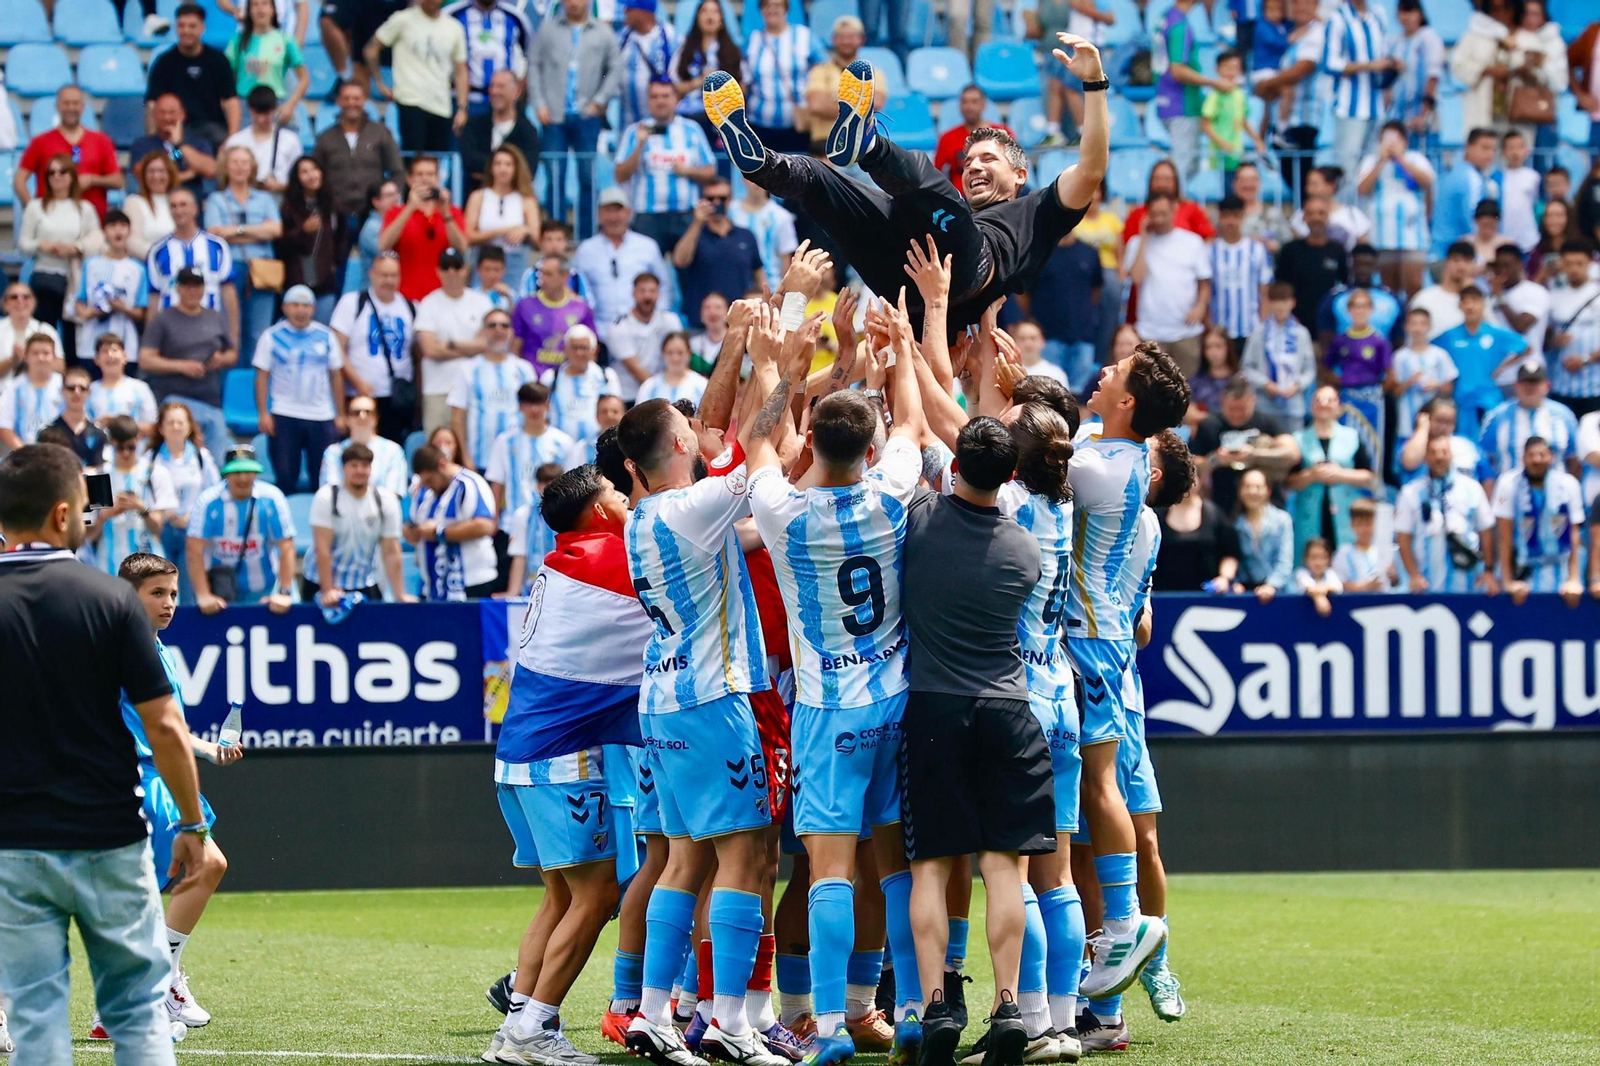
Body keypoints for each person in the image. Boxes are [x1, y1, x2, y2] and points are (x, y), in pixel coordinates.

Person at [739, 290, 929, 1065]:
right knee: (900, 870)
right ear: (873, 445)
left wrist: (783, 372)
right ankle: (911, 1011)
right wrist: (904, 347)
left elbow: (756, 440)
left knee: (828, 870)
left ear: (812, 441)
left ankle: (824, 1029)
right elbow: (914, 426)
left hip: (825, 709)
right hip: (895, 700)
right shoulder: (892, 495)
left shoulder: (783, 510)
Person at [0, 446, 220, 1065]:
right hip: (108, 834)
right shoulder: (111, 600)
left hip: (15, 841)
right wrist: (193, 823)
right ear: (63, 513)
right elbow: (167, 727)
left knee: (37, 1015)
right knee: (135, 1011)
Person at [613, 394, 791, 1066]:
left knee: (685, 859)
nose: (698, 430)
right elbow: (764, 443)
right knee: (743, 858)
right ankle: (729, 1023)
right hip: (713, 698)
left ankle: (655, 1014)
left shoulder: (640, 519)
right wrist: (779, 372)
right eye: (689, 427)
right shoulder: (692, 507)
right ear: (679, 445)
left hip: (661, 696)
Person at [484, 465, 652, 1063]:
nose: (627, 498)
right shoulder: (611, 557)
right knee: (597, 895)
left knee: (559, 898)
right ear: (601, 511)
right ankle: (536, 1025)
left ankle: (514, 1032)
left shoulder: (565, 560)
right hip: (562, 760)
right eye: (617, 492)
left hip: (520, 758)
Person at [1061, 343, 1188, 1010]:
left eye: (1120, 368)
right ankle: (1102, 993)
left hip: (1102, 661)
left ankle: (1145, 944)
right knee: (1083, 826)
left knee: (1134, 826)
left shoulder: (1122, 497)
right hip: (1093, 653)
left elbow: (1139, 620)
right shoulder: (1102, 457)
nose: (1106, 368)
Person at [529, 0, 620, 239]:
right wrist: (539, 102)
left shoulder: (603, 33)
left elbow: (614, 69)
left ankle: (587, 234)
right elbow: (534, 65)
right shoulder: (547, 30)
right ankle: (555, 235)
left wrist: (599, 101)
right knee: (555, 176)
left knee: (587, 176)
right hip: (554, 116)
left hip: (587, 116)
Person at [253, 285, 345, 493]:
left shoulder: (326, 336)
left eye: (306, 305)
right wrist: (263, 413)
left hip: (321, 414)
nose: (300, 310)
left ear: (313, 309)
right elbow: (261, 377)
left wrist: (340, 414)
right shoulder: (271, 336)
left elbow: (336, 375)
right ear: (285, 307)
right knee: (285, 476)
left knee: (323, 480)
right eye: (295, 305)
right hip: (285, 413)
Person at [140, 267, 239, 460]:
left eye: (197, 286)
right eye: (187, 286)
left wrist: (221, 359)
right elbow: (146, 359)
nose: (193, 291)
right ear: (178, 288)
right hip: (176, 398)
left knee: (217, 459)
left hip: (211, 400)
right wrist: (181, 366)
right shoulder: (164, 320)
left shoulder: (215, 317)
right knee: (177, 456)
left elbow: (232, 354)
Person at [188, 444, 297, 613]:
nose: (243, 478)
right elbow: (194, 549)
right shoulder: (208, 502)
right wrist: (203, 595)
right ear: (226, 474)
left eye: (248, 471)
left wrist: (284, 591)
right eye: (237, 472)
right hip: (220, 593)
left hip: (266, 590)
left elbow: (286, 546)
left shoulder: (272, 498)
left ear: (256, 473)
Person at [617, 80, 719, 257]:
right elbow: (620, 175)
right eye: (654, 96)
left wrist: (688, 171)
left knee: (690, 274)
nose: (660, 101)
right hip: (647, 215)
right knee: (646, 274)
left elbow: (711, 171)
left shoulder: (692, 129)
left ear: (676, 100)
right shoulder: (635, 131)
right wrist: (640, 145)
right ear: (648, 101)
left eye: (665, 96)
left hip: (686, 213)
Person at [304, 442, 409, 605]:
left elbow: (391, 550)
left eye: (365, 466)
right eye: (354, 466)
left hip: (364, 582)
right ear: (343, 469)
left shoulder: (385, 501)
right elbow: (322, 549)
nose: (359, 471)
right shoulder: (326, 497)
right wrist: (328, 590)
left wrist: (399, 595)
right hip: (319, 582)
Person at [330, 253, 418, 442]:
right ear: (372, 274)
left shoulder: (410, 307)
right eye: (383, 275)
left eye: (394, 275)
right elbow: (336, 349)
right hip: (360, 395)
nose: (389, 280)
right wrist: (357, 381)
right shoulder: (352, 302)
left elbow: (415, 354)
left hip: (396, 398)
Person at [205, 146, 283, 359]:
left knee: (259, 333)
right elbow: (214, 233)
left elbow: (275, 230)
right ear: (226, 167)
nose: (240, 167)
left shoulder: (265, 199)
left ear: (252, 168)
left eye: (244, 162)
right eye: (235, 162)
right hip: (230, 270)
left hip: (262, 270)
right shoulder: (216, 199)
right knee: (230, 332)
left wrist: (235, 231)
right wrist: (258, 232)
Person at [1395, 430, 1497, 592]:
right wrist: (1414, 575)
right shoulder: (1410, 492)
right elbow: (1403, 537)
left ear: (1451, 455)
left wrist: (1488, 571)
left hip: (1467, 585)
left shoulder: (1471, 488)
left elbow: (1486, 531)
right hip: (1427, 586)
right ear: (1425, 458)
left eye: (1444, 452)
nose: (1439, 457)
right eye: (1433, 453)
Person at [1123, 192, 1212, 377]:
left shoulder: (1192, 242)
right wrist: (1144, 238)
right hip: (1150, 332)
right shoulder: (1137, 243)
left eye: (1164, 213)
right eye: (1155, 214)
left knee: (1187, 390)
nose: (1159, 219)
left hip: (1186, 331)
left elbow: (1205, 284)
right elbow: (1137, 279)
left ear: (1174, 210)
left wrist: (1200, 307)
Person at [20, 156, 103, 351]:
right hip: (45, 274)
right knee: (43, 331)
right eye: (51, 173)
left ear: (72, 176)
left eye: (62, 171)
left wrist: (77, 247)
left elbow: (97, 239)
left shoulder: (85, 209)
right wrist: (42, 245)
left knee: (73, 336)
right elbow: (23, 244)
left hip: (73, 276)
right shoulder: (35, 207)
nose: (57, 176)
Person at [1285, 385, 1376, 559]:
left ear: (1339, 406)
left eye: (1330, 400)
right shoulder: (1298, 438)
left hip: (1345, 511)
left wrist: (1340, 475)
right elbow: (1289, 482)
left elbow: (1368, 476)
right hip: (1310, 513)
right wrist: (1312, 475)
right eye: (1318, 399)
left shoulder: (1352, 436)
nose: (1324, 404)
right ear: (1311, 405)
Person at [1493, 435, 1586, 605]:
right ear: (1523, 458)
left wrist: (1574, 580)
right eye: (1531, 455)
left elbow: (1574, 535)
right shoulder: (1508, 484)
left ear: (1551, 457)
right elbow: (1504, 537)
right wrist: (1508, 582)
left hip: (1561, 572)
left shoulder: (1568, 484)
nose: (1537, 460)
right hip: (1523, 571)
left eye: (1542, 455)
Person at [575, 191, 673, 350]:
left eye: (618, 210)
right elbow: (579, 291)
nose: (613, 217)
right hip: (599, 333)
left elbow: (665, 286)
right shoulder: (586, 250)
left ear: (628, 212)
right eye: (608, 211)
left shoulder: (647, 246)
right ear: (599, 214)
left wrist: (655, 321)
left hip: (641, 333)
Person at [367, 0, 470, 151]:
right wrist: (379, 84)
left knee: (436, 163)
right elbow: (371, 49)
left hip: (441, 104)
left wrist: (462, 107)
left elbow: (461, 71)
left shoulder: (454, 27)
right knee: (414, 161)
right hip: (410, 101)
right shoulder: (402, 20)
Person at [1190, 376, 1302, 513]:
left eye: (1242, 409)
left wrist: (1255, 454)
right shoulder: (1209, 424)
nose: (1236, 414)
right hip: (1223, 502)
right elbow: (1192, 462)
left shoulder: (1267, 422)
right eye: (1232, 408)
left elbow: (1292, 453)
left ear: (1253, 401)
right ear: (1222, 400)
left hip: (1266, 504)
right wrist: (1216, 459)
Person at [415, 247, 495, 433]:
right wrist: (470, 347)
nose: (452, 272)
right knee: (437, 452)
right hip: (438, 389)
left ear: (465, 269)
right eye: (446, 267)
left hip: (474, 389)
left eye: (456, 266)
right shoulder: (428, 303)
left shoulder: (482, 302)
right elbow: (430, 350)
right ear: (438, 272)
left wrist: (449, 344)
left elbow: (487, 345)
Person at [447, 306, 537, 473]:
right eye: (492, 325)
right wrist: (465, 457)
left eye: (504, 326)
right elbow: (457, 418)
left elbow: (536, 413)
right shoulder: (468, 369)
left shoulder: (524, 369)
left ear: (511, 332)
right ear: (483, 331)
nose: (498, 330)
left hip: (519, 459)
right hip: (480, 460)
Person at [404, 442, 499, 599]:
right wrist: (410, 532)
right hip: (434, 585)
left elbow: (485, 525)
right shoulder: (424, 492)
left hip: (471, 582)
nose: (428, 486)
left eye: (430, 480)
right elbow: (412, 522)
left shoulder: (469, 484)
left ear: (442, 465)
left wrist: (440, 532)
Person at [84, 414, 176, 576]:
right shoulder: (98, 476)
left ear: (138, 439)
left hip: (148, 565)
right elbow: (88, 535)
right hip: (108, 566)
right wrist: (105, 516)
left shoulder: (155, 473)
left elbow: (158, 529)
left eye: (131, 447)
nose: (126, 453)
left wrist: (142, 509)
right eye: (120, 448)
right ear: (111, 443)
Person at [14, 85, 122, 221]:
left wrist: (92, 180)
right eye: (66, 103)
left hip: (92, 223)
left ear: (83, 107)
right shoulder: (41, 141)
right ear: (57, 106)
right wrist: (32, 209)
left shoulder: (101, 141)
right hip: (51, 222)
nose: (71, 108)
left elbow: (118, 180)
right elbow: (20, 179)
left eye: (75, 103)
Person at [485, 381, 575, 544]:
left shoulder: (563, 442)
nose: (534, 409)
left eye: (538, 403)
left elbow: (571, 485)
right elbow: (497, 482)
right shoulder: (505, 441)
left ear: (547, 405)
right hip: (511, 524)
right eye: (528, 404)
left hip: (553, 526)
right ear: (520, 406)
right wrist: (494, 519)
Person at [1436, 285, 1531, 439]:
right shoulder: (1450, 336)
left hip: (1489, 397)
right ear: (1460, 305)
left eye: (1475, 301)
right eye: (1466, 302)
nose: (1470, 306)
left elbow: (1526, 347)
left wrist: (1502, 367)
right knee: (1464, 442)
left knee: (1492, 439)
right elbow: (1431, 351)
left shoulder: (1495, 333)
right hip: (1461, 399)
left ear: (1483, 304)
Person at [146, 3, 242, 149]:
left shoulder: (218, 61)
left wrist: (232, 139)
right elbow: (152, 103)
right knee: (174, 157)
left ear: (202, 28)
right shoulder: (164, 63)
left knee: (219, 158)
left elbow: (231, 102)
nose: (186, 31)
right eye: (181, 26)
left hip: (213, 133)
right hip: (176, 131)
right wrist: (153, 139)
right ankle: (179, 164)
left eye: (192, 26)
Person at [673, 181, 765, 331]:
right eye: (710, 198)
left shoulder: (746, 236)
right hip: (702, 322)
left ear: (730, 201)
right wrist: (697, 222)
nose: (716, 203)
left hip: (739, 323)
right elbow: (680, 260)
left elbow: (759, 276)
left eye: (722, 198)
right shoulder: (694, 234)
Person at [1155, 0, 1231, 183]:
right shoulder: (1179, 25)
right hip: (1182, 104)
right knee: (1182, 166)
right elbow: (1177, 69)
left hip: (1165, 99)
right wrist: (1213, 82)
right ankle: (1174, 210)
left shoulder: (1165, 16)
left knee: (1188, 165)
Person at [1357, 121, 1435, 296]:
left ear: (1404, 141)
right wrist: (1381, 161)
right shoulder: (1371, 161)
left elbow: (1427, 181)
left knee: (1414, 284)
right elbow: (1362, 189)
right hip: (1382, 235)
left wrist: (1401, 159)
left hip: (1413, 234)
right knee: (1388, 287)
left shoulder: (1416, 158)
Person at [313, 80, 406, 222]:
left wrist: (388, 196)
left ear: (364, 100)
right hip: (336, 211)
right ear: (339, 101)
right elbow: (317, 173)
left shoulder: (380, 133)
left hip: (373, 212)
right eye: (346, 98)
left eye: (356, 98)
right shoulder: (325, 138)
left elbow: (397, 171)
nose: (351, 103)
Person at [380, 155, 470, 302]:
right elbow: (383, 245)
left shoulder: (453, 212)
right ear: (409, 179)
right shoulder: (395, 212)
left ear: (438, 178)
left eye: (430, 174)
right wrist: (410, 207)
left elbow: (462, 248)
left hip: (442, 296)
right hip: (405, 297)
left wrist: (445, 213)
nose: (425, 179)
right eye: (419, 174)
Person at [1320, 0, 1391, 186]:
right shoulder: (1337, 19)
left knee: (1373, 167)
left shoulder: (1378, 15)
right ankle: (1346, 212)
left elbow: (1384, 52)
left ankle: (1364, 213)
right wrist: (1368, 66)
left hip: (1377, 106)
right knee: (1347, 168)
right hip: (1349, 107)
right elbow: (1330, 63)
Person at [147, 189, 237, 333]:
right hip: (171, 331)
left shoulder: (217, 246)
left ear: (195, 209)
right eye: (173, 206)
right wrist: (149, 340)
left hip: (209, 328)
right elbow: (154, 297)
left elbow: (228, 292)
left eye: (183, 205)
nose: (178, 210)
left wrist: (233, 339)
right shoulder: (158, 250)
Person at [1479, 360, 1580, 487]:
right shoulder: (1497, 416)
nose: (1530, 387)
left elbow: (1574, 459)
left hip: (1556, 492)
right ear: (1516, 386)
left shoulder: (1564, 416)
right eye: (1525, 382)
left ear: (1547, 386)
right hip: (1509, 493)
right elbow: (1486, 460)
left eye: (1535, 382)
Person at [74, 210, 151, 369]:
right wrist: (89, 312)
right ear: (104, 231)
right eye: (112, 226)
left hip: (125, 343)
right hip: (91, 344)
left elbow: (141, 312)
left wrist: (121, 308)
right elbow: (80, 301)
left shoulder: (138, 269)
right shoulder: (90, 264)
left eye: (123, 226)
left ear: (129, 231)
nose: (118, 231)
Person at [1323, 288, 1393, 461]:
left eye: (1364, 306)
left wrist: (1378, 391)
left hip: (1371, 399)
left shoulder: (1379, 341)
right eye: (1355, 307)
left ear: (1371, 310)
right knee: (1345, 443)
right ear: (1349, 311)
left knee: (1373, 443)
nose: (1359, 311)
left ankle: (1372, 485)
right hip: (1347, 398)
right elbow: (1325, 368)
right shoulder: (1341, 340)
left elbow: (1390, 373)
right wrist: (1341, 381)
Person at [277, 157, 347, 324]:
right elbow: (280, 245)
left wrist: (334, 262)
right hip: (296, 279)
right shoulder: (288, 207)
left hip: (325, 281)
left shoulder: (333, 205)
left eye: (315, 169)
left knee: (322, 328)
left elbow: (342, 238)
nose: (311, 175)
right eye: (304, 171)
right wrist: (303, 231)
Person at [465, 144, 542, 289]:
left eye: (508, 164)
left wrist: (525, 230)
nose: (503, 169)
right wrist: (502, 230)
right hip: (484, 262)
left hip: (514, 262)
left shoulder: (526, 200)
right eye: (498, 164)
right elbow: (468, 236)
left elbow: (537, 239)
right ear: (491, 168)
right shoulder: (478, 197)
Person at [742, 0, 814, 155]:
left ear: (786, 9)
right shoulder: (753, 39)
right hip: (759, 124)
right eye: (766, 6)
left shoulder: (803, 35)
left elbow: (823, 67)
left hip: (796, 124)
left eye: (777, 5)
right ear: (760, 10)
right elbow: (745, 80)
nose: (771, 9)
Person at [459, 69, 542, 199]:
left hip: (515, 205)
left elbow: (529, 170)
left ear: (516, 92)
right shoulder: (474, 125)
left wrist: (485, 170)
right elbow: (469, 162)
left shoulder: (527, 131)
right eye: (492, 86)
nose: (494, 91)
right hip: (476, 203)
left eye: (501, 87)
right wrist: (510, 169)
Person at [1240, 283, 1314, 426]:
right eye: (1276, 302)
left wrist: (1296, 385)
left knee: (1292, 445)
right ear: (1270, 303)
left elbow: (1310, 370)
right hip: (1264, 403)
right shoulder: (1258, 333)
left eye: (1284, 302)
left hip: (1293, 404)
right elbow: (1246, 367)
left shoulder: (1301, 333)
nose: (1280, 307)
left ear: (1292, 303)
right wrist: (1265, 383)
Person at [444, 0, 534, 116]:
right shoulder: (453, 14)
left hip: (504, 103)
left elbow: (534, 56)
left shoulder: (515, 17)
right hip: (466, 101)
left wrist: (522, 84)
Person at [513, 253, 598, 375]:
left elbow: (591, 349)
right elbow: (516, 347)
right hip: (534, 383)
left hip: (567, 380)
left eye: (548, 274)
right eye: (541, 273)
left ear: (565, 276)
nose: (542, 279)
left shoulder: (581, 308)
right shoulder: (525, 305)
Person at [609, 273, 686, 405]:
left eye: (652, 291)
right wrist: (660, 395)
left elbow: (681, 353)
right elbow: (635, 369)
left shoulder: (670, 321)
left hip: (664, 393)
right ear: (633, 294)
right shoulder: (619, 326)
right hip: (630, 397)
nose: (647, 296)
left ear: (658, 294)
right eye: (642, 291)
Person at [1276, 197, 1349, 335]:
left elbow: (1344, 287)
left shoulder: (1338, 250)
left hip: (1328, 326)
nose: (1316, 218)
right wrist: (1288, 315)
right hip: (1295, 323)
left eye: (1321, 213)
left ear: (1328, 217)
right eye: (1311, 213)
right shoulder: (1290, 250)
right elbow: (1281, 286)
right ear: (1304, 217)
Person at [1209, 195, 1273, 351]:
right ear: (1219, 218)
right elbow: (1205, 290)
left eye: (1236, 216)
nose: (1231, 222)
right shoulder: (1210, 251)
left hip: (1251, 329)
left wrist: (1262, 327)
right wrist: (1210, 327)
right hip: (1220, 331)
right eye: (1226, 216)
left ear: (1243, 217)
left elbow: (1265, 292)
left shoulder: (1257, 250)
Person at [1155, 480, 1241, 592]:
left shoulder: (1214, 514)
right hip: (1163, 596)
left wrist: (1224, 578)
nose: (1186, 483)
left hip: (1208, 596)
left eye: (1190, 476)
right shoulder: (1156, 515)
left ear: (1199, 481)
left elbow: (1230, 554)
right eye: (1181, 476)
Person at [225, 0, 310, 113]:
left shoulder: (285, 40)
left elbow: (304, 78)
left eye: (265, 4)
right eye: (255, 5)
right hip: (245, 106)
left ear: (273, 10)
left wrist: (290, 104)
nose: (260, 9)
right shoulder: (237, 41)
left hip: (275, 104)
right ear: (249, 11)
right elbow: (225, 74)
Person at [131, 94, 220, 200]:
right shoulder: (142, 144)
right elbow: (141, 174)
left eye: (172, 112)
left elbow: (211, 170)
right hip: (154, 204)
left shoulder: (198, 143)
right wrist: (187, 175)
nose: (167, 118)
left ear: (182, 114)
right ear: (154, 115)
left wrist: (180, 144)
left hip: (190, 208)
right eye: (162, 113)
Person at [1388, 307, 1457, 443]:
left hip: (1436, 425)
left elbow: (1449, 388)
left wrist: (1436, 385)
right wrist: (1409, 382)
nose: (1417, 328)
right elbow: (1394, 392)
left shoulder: (1440, 355)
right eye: (1413, 323)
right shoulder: (1399, 357)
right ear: (1406, 327)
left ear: (1429, 326)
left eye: (1422, 324)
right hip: (1406, 424)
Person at [1547, 239, 1600, 417]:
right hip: (1561, 386)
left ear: (1590, 264)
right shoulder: (1554, 297)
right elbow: (1543, 339)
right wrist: (1553, 341)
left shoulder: (1597, 294)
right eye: (1569, 264)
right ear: (1561, 264)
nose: (1574, 269)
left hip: (1595, 388)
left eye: (1580, 264)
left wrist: (1585, 360)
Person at [543, 325, 622, 443]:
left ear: (594, 350)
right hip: (559, 448)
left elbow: (616, 413)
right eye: (574, 347)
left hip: (597, 447)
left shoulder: (607, 376)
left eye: (584, 348)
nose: (579, 353)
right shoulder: (551, 378)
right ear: (566, 349)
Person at [1431, 128, 1499, 264]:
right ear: (1468, 148)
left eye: (1493, 150)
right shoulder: (1471, 178)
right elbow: (1473, 221)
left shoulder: (1453, 172)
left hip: (1438, 252)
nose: (1490, 155)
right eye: (1485, 148)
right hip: (1454, 256)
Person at [1201, 50, 1265, 193]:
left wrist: (1257, 140)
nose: (1231, 72)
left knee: (1240, 187)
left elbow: (1243, 121)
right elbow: (1205, 125)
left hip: (1237, 151)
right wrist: (1221, 142)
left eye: (1235, 68)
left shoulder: (1240, 95)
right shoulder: (1214, 96)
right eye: (1227, 67)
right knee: (1227, 190)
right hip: (1221, 154)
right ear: (1218, 69)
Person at [319, 396, 410, 492]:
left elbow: (393, 493)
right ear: (347, 418)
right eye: (356, 412)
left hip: (381, 506)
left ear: (376, 418)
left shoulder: (393, 451)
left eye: (368, 412)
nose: (362, 416)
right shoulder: (333, 452)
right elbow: (331, 491)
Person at [223, 87, 304, 194]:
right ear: (250, 110)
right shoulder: (236, 141)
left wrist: (281, 186)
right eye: (257, 113)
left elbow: (300, 178)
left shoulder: (291, 140)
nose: (261, 119)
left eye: (266, 114)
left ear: (275, 109)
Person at [1385, 0, 1443, 147]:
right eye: (1402, 12)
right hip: (1399, 114)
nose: (1406, 17)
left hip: (1422, 112)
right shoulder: (1394, 42)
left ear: (1420, 14)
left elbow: (1433, 76)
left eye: (1410, 12)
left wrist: (1424, 114)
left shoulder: (1429, 38)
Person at [1233, 466, 1294, 601]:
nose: (1252, 491)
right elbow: (1232, 559)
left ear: (1268, 490)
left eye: (1258, 487)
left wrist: (1271, 586)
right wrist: (1235, 583)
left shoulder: (1282, 520)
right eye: (1247, 486)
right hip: (1243, 594)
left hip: (1278, 593)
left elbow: (1284, 561)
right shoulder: (1234, 523)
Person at [0, 334, 66, 450]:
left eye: (46, 353)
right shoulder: (12, 387)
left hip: (60, 453)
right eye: (35, 353)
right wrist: (25, 454)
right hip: (22, 456)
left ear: (54, 357)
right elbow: (4, 425)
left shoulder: (65, 385)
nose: (41, 358)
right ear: (26, 356)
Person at [728, 185, 798, 294]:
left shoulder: (781, 216)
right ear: (743, 179)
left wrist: (784, 292)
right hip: (736, 285)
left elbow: (786, 258)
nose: (756, 183)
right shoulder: (731, 211)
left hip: (771, 288)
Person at [50, 365, 111, 467]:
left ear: (89, 393)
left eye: (82, 388)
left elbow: (102, 469)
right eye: (71, 388)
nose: (77, 392)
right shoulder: (48, 432)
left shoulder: (100, 433)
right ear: (62, 391)